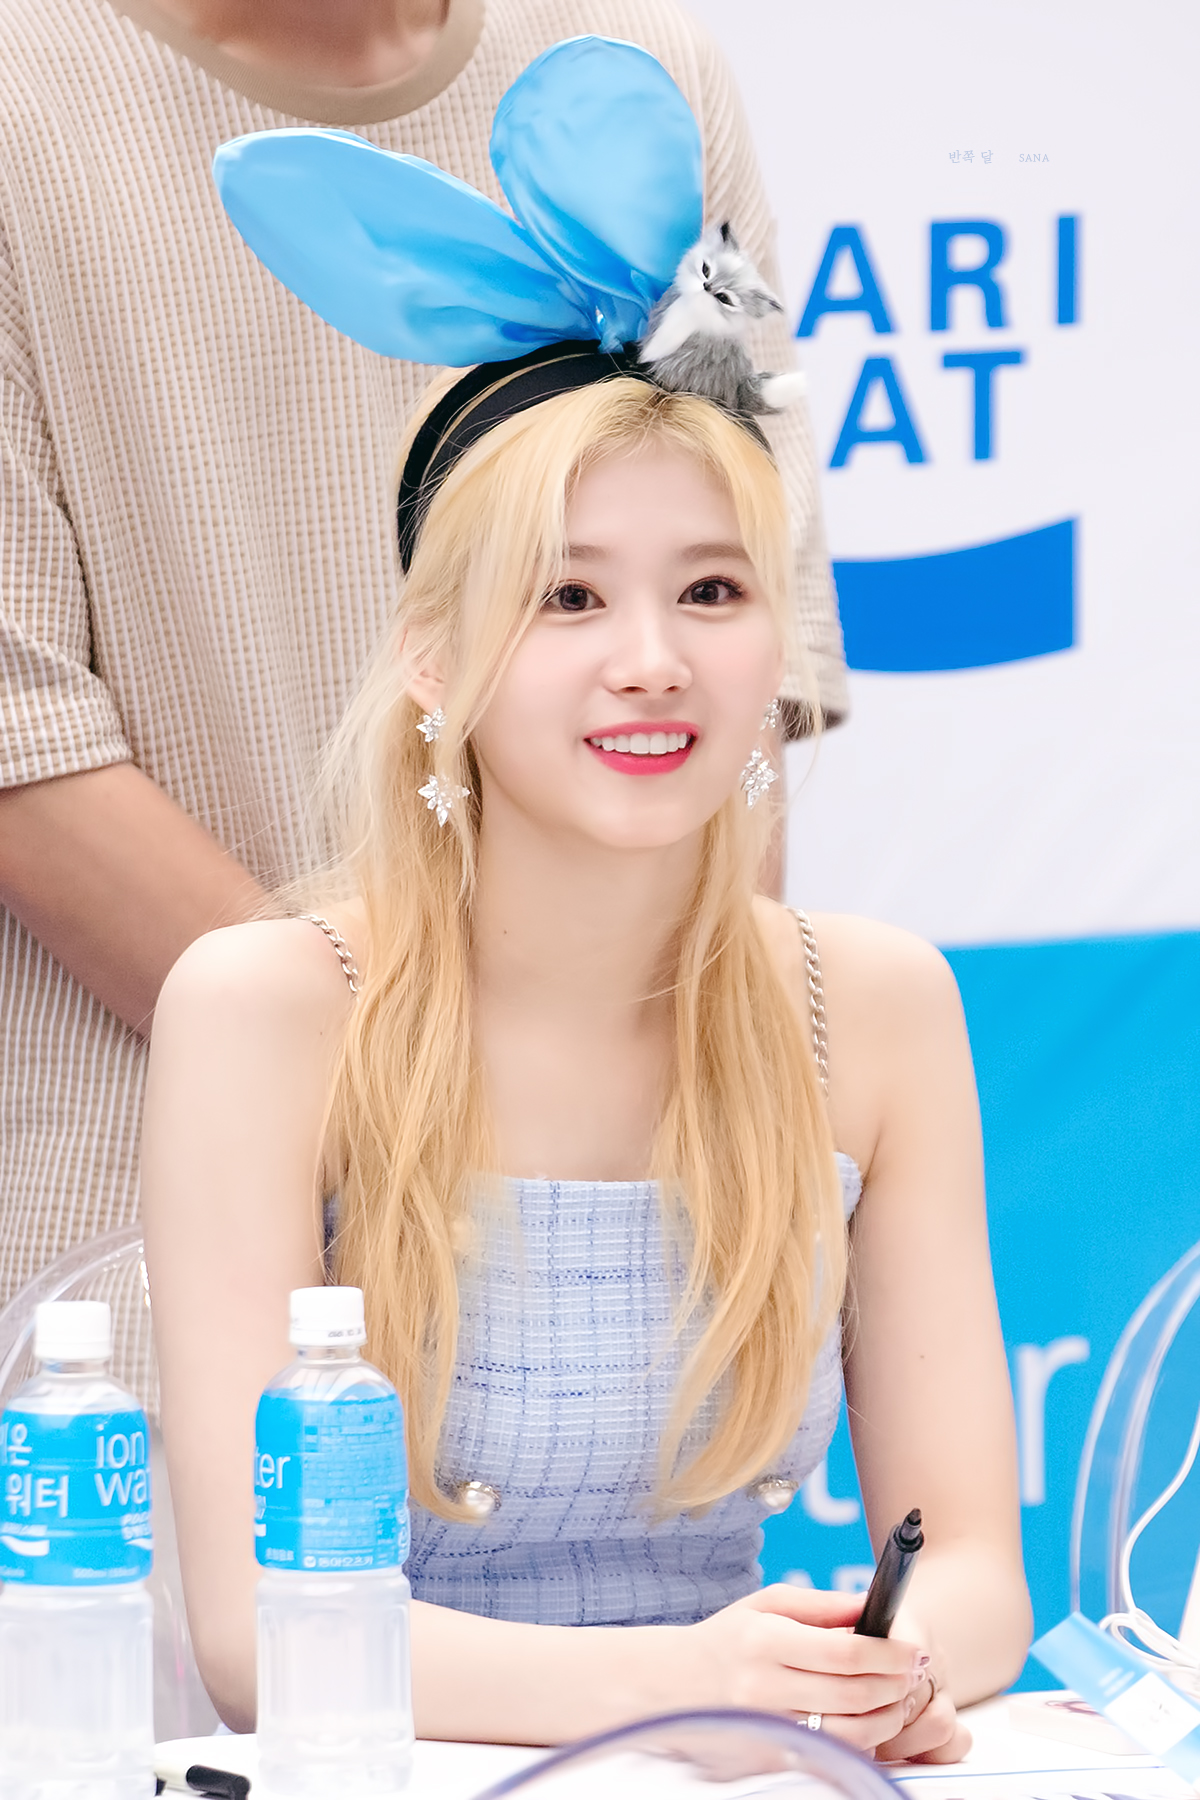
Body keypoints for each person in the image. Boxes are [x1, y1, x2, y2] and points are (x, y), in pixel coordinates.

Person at [140, 46, 1031, 1748]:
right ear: (434, 660)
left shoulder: (874, 1006)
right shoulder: (268, 1008)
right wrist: (687, 1691)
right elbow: (261, 1632)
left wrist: (870, 1672)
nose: (651, 662)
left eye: (713, 591)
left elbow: (976, 1563)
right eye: (568, 598)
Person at [0, 0, 842, 1309]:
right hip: (148, 1258)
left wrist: (619, 1183)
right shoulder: (29, 96)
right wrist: (472, 1154)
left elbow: (742, 655)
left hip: (622, 1242)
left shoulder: (636, 72)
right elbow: (31, 751)